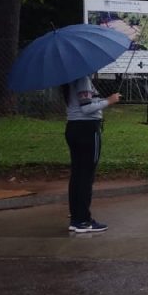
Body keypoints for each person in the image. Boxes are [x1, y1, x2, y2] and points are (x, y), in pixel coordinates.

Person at [62, 76, 120, 233]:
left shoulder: (70, 81)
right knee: (86, 175)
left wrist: (102, 100)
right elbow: (86, 108)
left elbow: (85, 102)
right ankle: (84, 220)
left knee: (77, 174)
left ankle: (77, 218)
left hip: (73, 127)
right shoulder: (82, 79)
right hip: (87, 129)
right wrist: (110, 100)